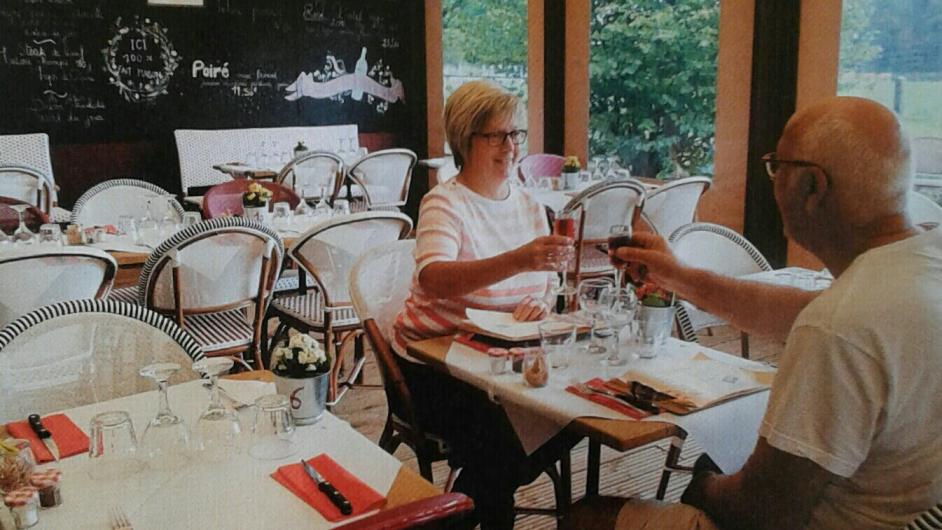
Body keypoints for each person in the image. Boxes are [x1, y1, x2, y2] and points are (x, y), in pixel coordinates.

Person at [564, 96, 942, 530]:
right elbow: (794, 310)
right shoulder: (916, 266)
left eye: (776, 166)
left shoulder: (839, 325)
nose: (772, 180)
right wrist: (678, 275)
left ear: (812, 187)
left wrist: (700, 486)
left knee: (586, 516)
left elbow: (762, 511)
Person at [391, 80, 577, 529]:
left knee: (579, 411)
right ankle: (469, 505)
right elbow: (433, 278)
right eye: (497, 136)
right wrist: (519, 259)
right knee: (499, 443)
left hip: (506, 357)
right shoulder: (444, 202)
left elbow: (547, 280)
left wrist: (539, 301)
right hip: (436, 364)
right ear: (464, 139)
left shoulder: (530, 205)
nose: (511, 147)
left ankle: (454, 511)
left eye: (516, 134)